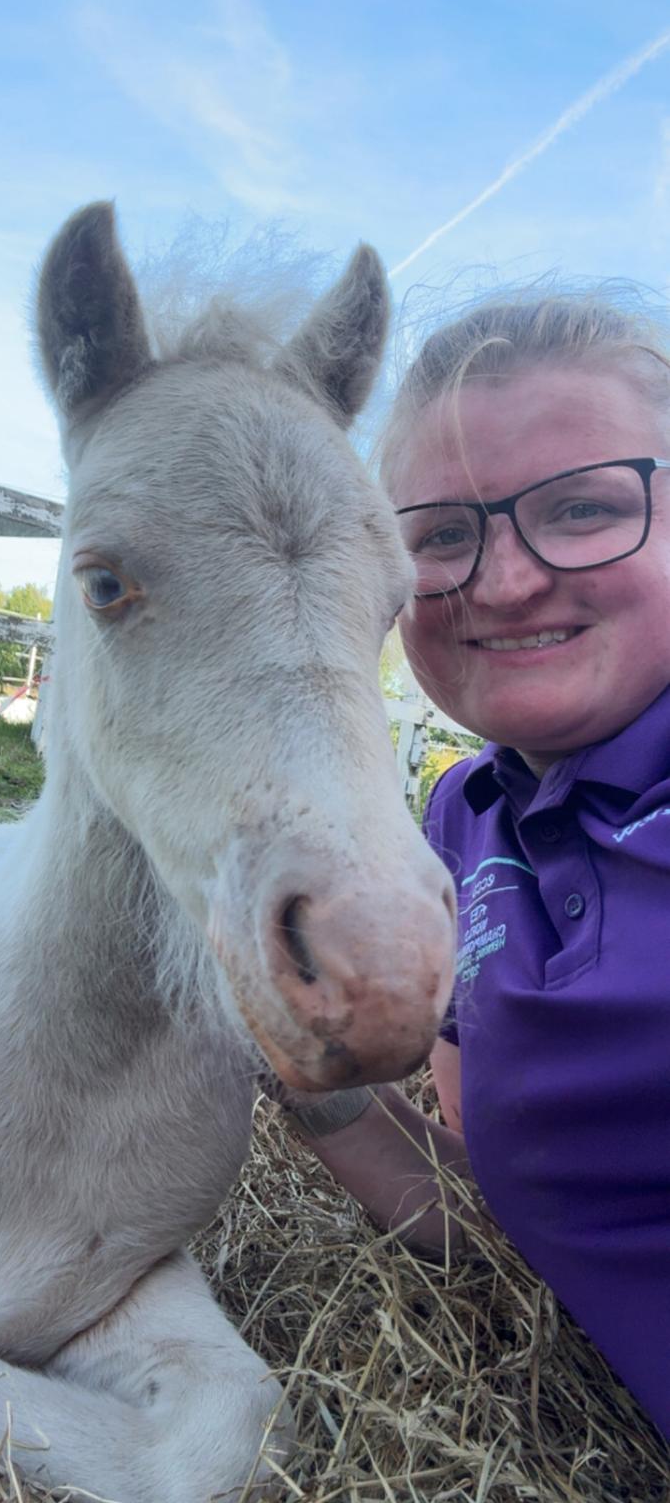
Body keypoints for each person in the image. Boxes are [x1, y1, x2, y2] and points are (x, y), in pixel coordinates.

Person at [277, 287, 670, 1441]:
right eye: (442, 534)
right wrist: (295, 1061)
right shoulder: (464, 818)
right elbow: (502, 1216)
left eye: (585, 507)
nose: (503, 581)